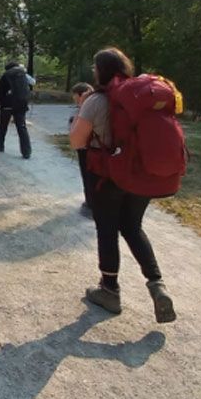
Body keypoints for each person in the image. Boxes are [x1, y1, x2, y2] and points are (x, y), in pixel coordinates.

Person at [69, 47, 176, 323]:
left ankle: (109, 290)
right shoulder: (138, 97)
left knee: (107, 229)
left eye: (95, 68)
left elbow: (77, 142)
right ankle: (156, 284)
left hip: (107, 174)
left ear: (101, 71)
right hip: (139, 174)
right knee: (132, 226)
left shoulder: (96, 100)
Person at [0, 62, 32, 158]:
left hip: (7, 104)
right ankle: (26, 152)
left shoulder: (7, 74)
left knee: (3, 126)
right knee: (22, 127)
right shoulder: (23, 75)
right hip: (22, 104)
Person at [70, 82, 94, 218]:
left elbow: (76, 132)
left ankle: (90, 204)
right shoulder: (99, 102)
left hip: (85, 148)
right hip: (95, 148)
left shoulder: (85, 108)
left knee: (87, 176)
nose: (73, 99)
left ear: (80, 96)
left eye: (74, 96)